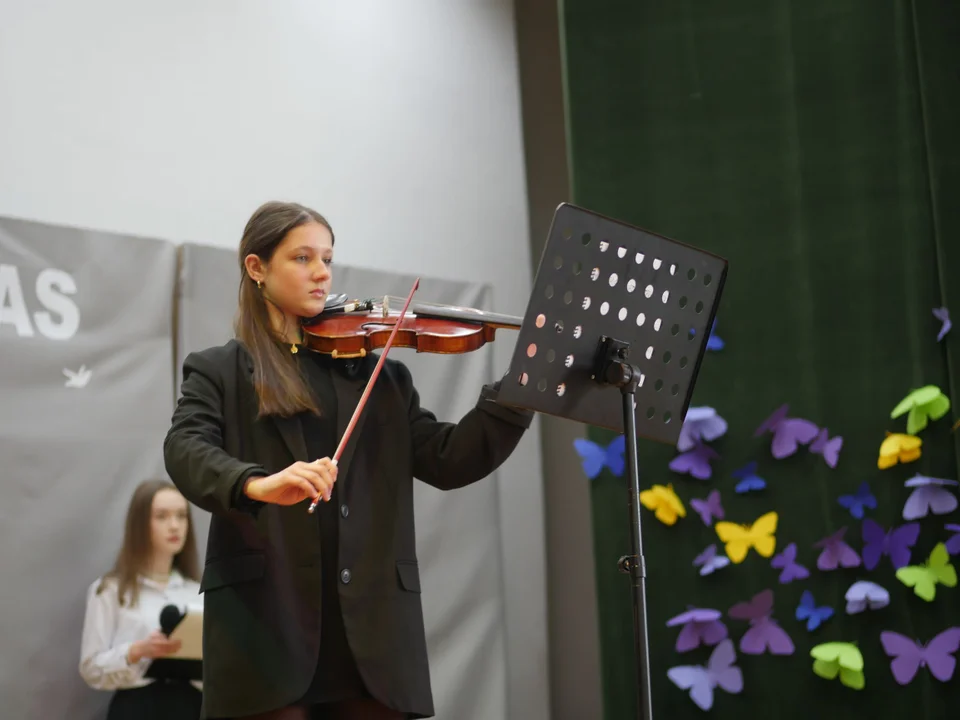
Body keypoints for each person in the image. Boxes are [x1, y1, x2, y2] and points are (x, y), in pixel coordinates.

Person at [162, 200, 534, 720]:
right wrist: (257, 484)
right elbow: (185, 448)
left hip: (373, 633)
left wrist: (520, 390)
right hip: (267, 627)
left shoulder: (378, 375)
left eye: (328, 260)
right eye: (302, 258)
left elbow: (449, 460)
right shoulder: (218, 370)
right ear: (257, 268)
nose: (322, 274)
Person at [79, 478, 203, 720]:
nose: (175, 526)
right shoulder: (111, 591)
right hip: (137, 708)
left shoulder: (199, 593)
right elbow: (91, 668)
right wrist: (136, 651)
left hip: (191, 707)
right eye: (162, 516)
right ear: (140, 524)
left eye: (181, 516)